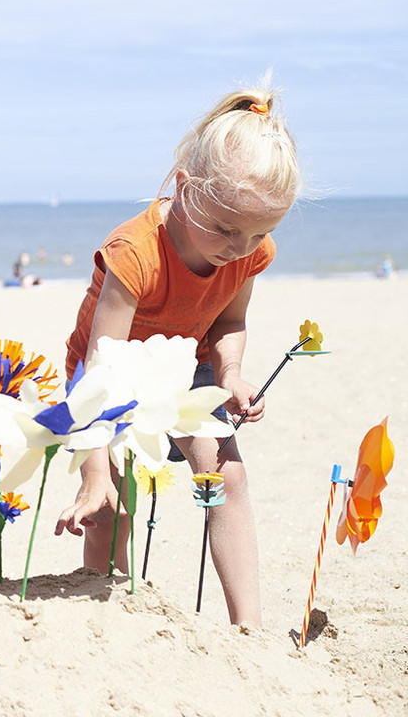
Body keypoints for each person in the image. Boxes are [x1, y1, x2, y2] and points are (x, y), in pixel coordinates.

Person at [53, 76, 300, 627]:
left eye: (257, 237)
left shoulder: (245, 253)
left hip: (182, 369)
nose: (238, 250)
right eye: (225, 230)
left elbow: (231, 320)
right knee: (112, 501)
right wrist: (94, 471)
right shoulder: (135, 253)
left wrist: (231, 373)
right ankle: (105, 605)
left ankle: (249, 626)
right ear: (186, 189)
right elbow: (100, 371)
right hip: (106, 379)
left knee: (226, 476)